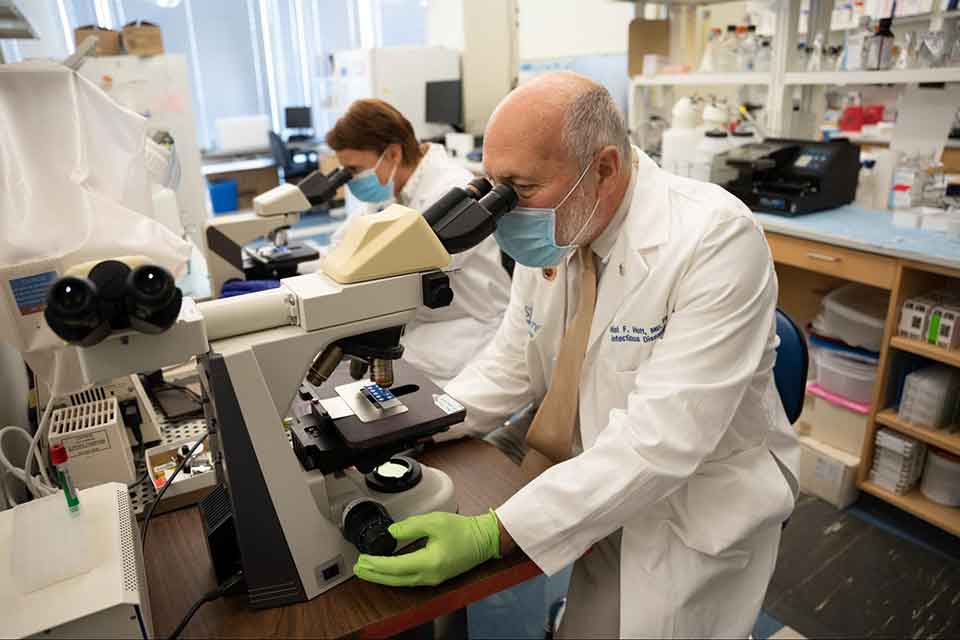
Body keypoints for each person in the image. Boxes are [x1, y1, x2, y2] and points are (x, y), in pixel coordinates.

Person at [352, 73, 800, 638]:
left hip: (690, 509)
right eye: (494, 185)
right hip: (593, 476)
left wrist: (493, 533)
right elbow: (509, 363)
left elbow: (661, 441)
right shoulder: (568, 224)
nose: (503, 209)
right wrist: (412, 427)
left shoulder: (716, 239)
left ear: (604, 168)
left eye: (521, 188)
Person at [325, 99, 510, 387]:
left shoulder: (449, 191)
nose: (351, 181)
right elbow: (342, 245)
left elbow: (393, 270)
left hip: (464, 328)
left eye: (355, 170)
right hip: (421, 326)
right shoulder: (393, 189)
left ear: (393, 153)